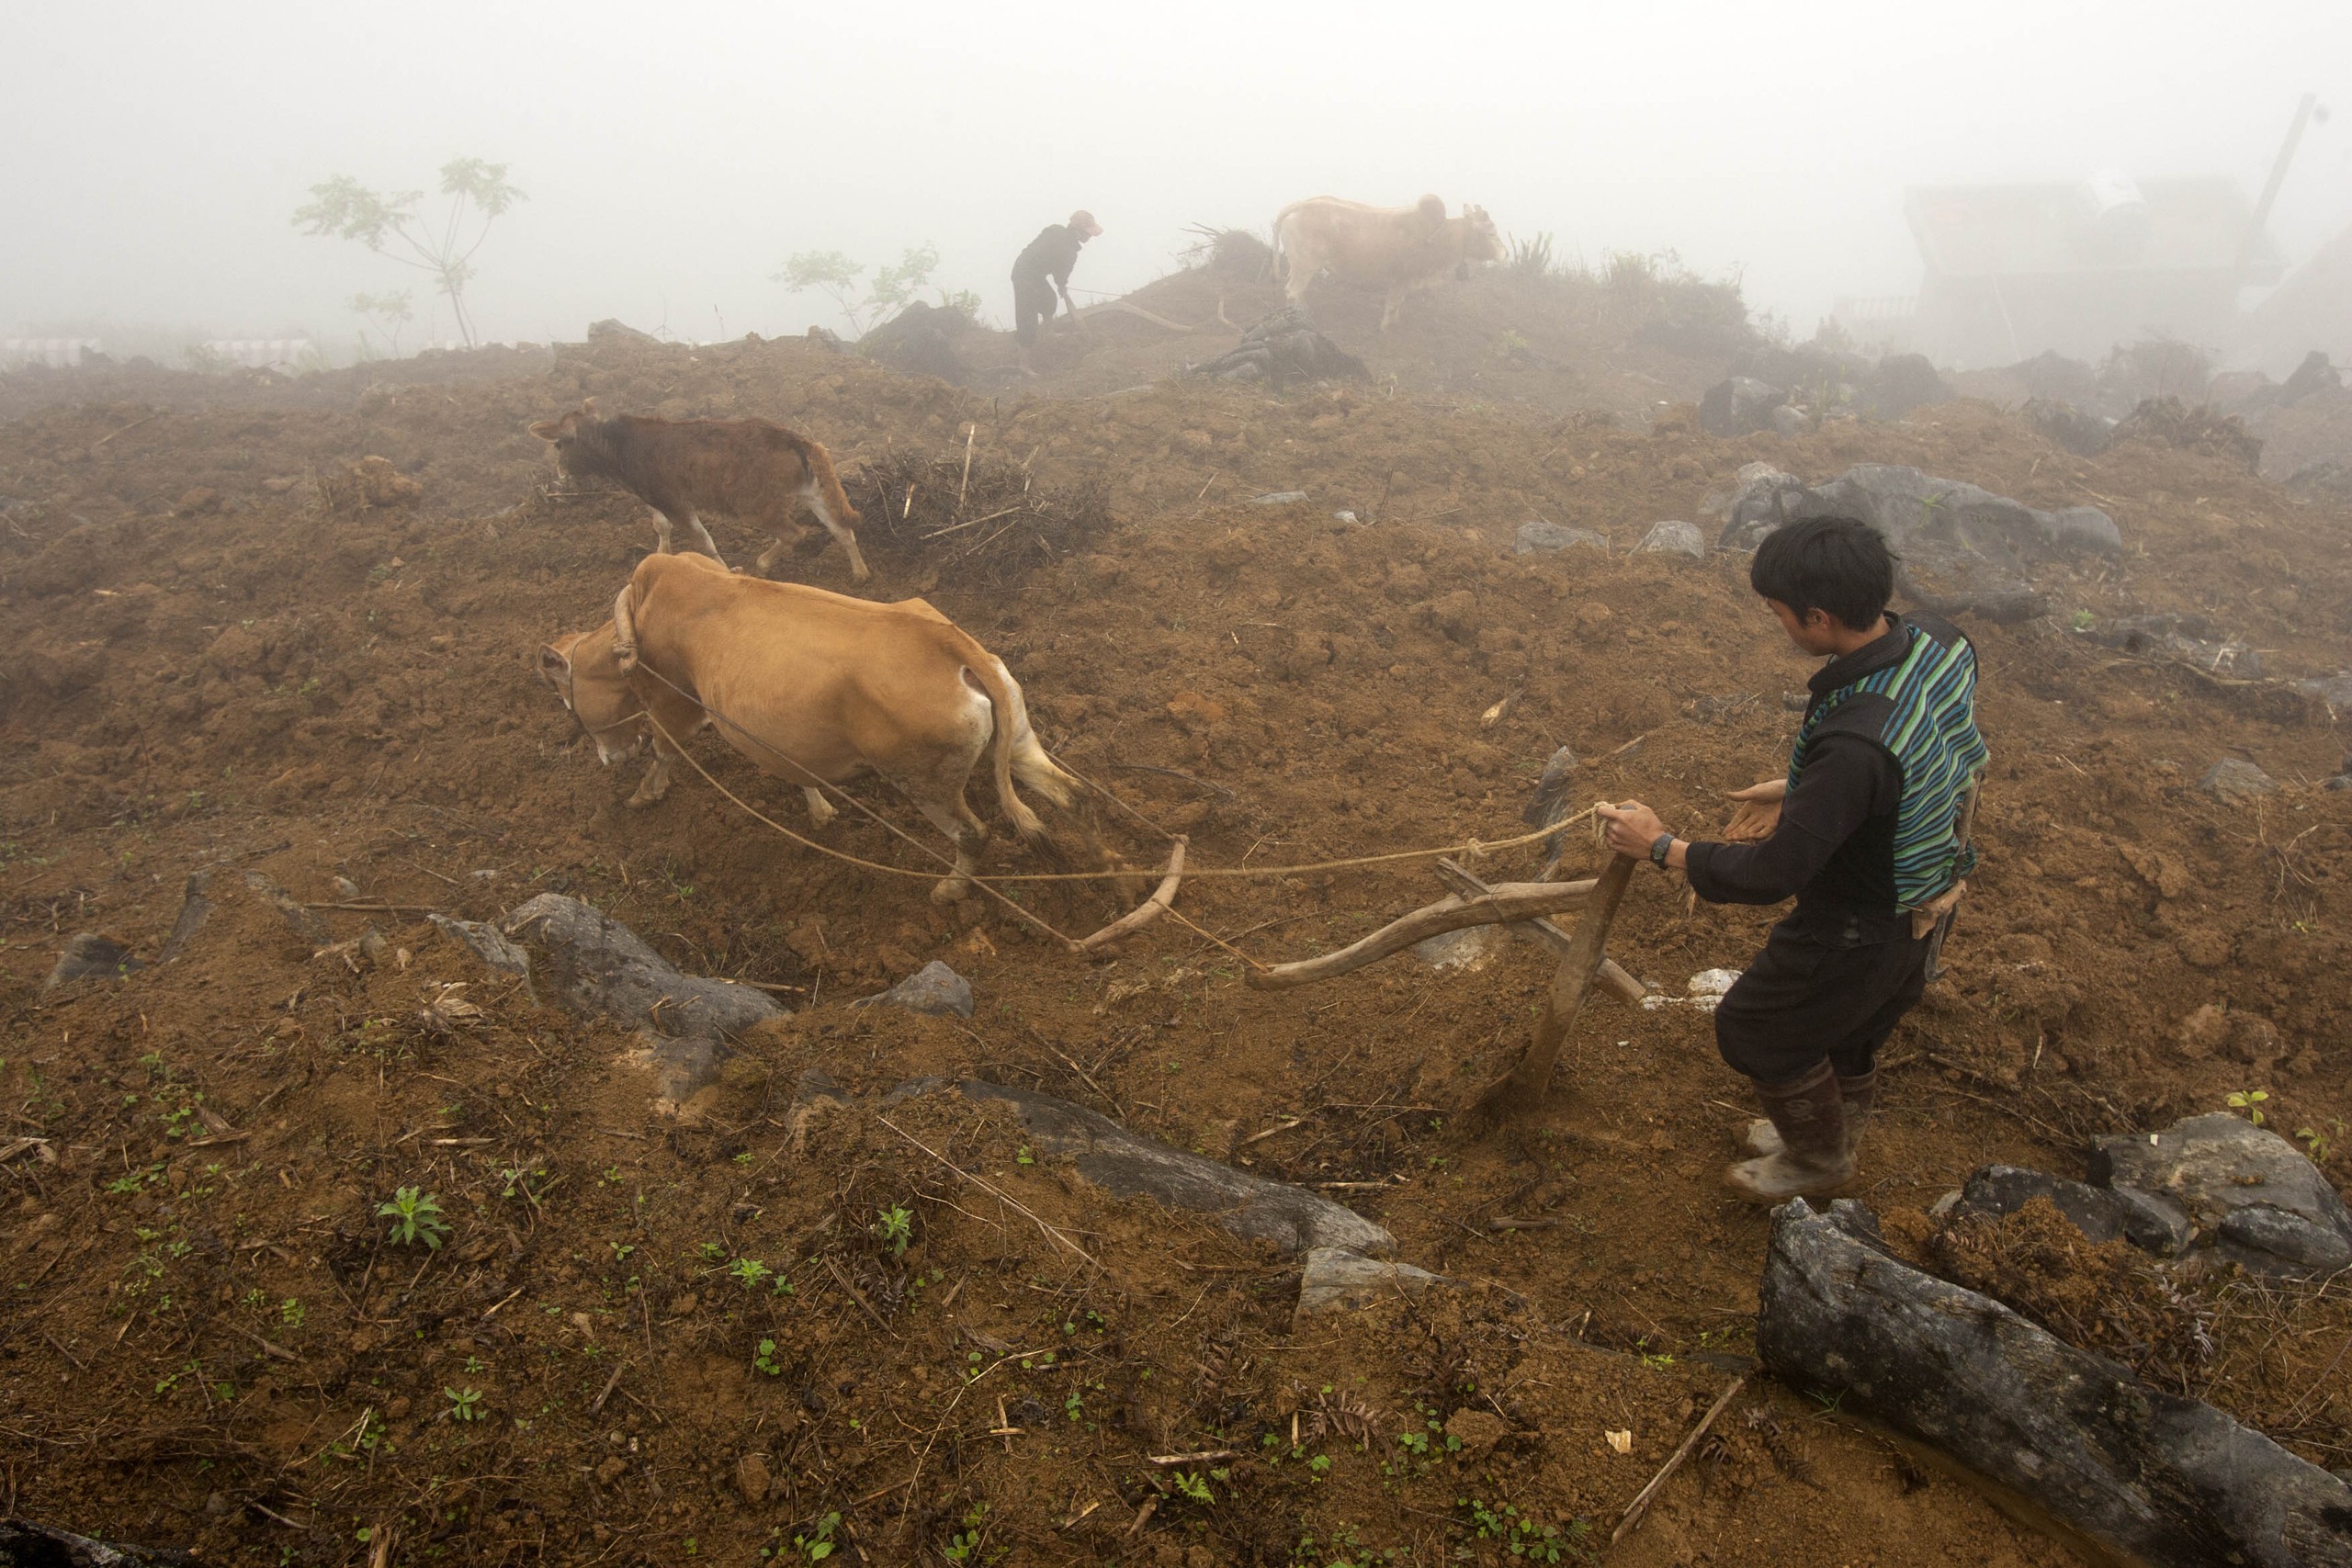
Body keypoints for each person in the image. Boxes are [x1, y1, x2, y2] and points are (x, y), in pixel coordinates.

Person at [1598, 516, 1986, 1201]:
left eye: (1780, 612)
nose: (1777, 623)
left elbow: (1774, 874)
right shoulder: (1940, 640)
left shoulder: (1856, 747)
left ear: (1819, 617)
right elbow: (1934, 743)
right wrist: (1812, 795)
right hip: (1928, 897)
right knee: (1852, 1026)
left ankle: (1818, 1157)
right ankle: (1831, 1132)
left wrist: (1661, 846)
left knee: (1755, 1029)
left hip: (1861, 922)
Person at [1011, 210, 1102, 373]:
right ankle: (1024, 365)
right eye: (1087, 233)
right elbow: (1061, 272)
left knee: (1049, 301)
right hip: (1023, 274)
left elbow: (1055, 265)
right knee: (1027, 317)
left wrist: (1060, 283)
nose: (1089, 237)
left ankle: (1049, 333)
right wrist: (1061, 284)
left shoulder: (1056, 231)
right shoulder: (1068, 249)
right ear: (1077, 231)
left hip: (1034, 273)